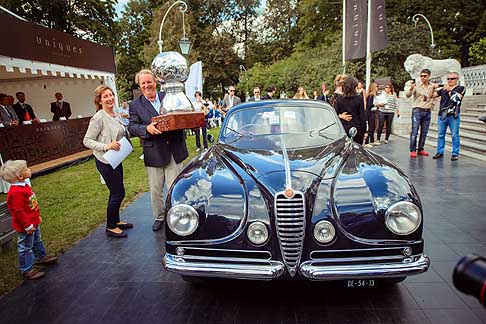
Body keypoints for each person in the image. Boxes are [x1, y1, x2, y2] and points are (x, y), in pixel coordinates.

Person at [128, 69, 188, 232]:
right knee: (155, 190)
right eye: (143, 83)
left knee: (175, 187)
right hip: (154, 152)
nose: (147, 85)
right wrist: (146, 128)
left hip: (174, 149)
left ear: (155, 82)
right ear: (139, 86)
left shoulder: (169, 97)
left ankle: (179, 215)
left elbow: (182, 114)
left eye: (149, 81)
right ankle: (160, 216)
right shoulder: (135, 105)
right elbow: (132, 127)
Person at [83, 85, 132, 238]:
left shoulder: (115, 114)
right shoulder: (98, 118)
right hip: (105, 160)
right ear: (99, 100)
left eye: (111, 95)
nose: (110, 98)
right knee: (118, 192)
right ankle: (110, 226)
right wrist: (106, 146)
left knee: (117, 191)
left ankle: (116, 221)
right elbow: (87, 140)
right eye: (105, 96)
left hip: (116, 158)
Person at [0, 160, 58, 280]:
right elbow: (18, 212)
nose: (29, 170)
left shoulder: (24, 186)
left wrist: (36, 217)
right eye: (26, 169)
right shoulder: (16, 192)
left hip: (33, 222)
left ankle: (41, 257)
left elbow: (30, 206)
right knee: (25, 246)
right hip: (26, 226)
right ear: (20, 176)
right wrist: (28, 226)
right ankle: (27, 269)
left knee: (37, 240)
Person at [431, 72, 466, 161]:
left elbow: (456, 98)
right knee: (440, 135)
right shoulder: (443, 89)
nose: (450, 80)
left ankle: (455, 153)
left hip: (453, 115)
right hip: (442, 115)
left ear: (457, 80)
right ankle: (440, 151)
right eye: (448, 79)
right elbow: (431, 96)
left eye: (452, 79)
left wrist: (449, 90)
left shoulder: (461, 88)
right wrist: (432, 87)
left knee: (454, 135)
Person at [406, 68, 435, 158]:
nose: (423, 78)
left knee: (424, 132)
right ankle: (413, 149)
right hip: (417, 110)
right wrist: (410, 88)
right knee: (414, 131)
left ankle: (421, 149)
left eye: (425, 76)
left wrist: (432, 104)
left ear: (429, 76)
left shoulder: (432, 86)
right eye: (421, 76)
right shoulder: (417, 86)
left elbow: (434, 96)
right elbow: (407, 95)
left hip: (427, 111)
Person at [335, 76, 366, 144]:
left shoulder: (339, 99)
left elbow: (334, 114)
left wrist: (340, 116)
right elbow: (362, 117)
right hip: (356, 129)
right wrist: (364, 131)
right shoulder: (359, 98)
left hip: (343, 129)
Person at [364, 82, 379, 147]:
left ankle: (372, 141)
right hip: (370, 113)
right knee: (370, 128)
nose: (377, 88)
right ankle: (367, 142)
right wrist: (375, 105)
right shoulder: (371, 95)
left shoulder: (373, 95)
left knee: (372, 127)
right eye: (376, 87)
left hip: (373, 112)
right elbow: (369, 105)